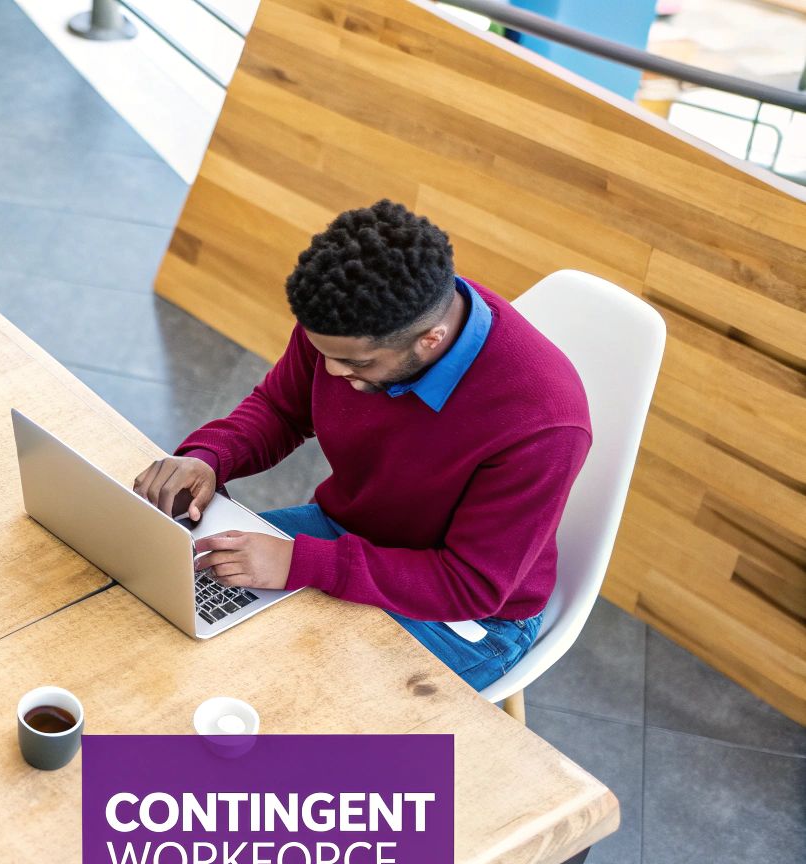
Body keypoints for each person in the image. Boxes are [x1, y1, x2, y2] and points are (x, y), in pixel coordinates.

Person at [133, 200, 590, 688]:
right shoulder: (348, 319)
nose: (330, 371)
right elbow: (282, 409)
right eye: (323, 352)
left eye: (356, 364)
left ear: (430, 341)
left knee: (280, 700)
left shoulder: (543, 422)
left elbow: (470, 583)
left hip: (467, 616)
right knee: (169, 590)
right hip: (345, 535)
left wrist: (299, 563)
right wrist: (209, 458)